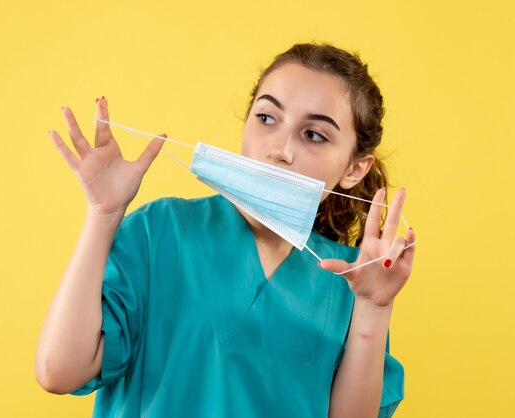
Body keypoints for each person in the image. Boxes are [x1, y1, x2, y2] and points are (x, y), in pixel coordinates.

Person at [35, 43, 416, 418]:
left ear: (354, 170)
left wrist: (373, 308)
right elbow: (58, 372)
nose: (279, 149)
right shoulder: (162, 232)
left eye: (313, 135)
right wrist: (104, 213)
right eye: (267, 118)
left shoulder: (352, 279)